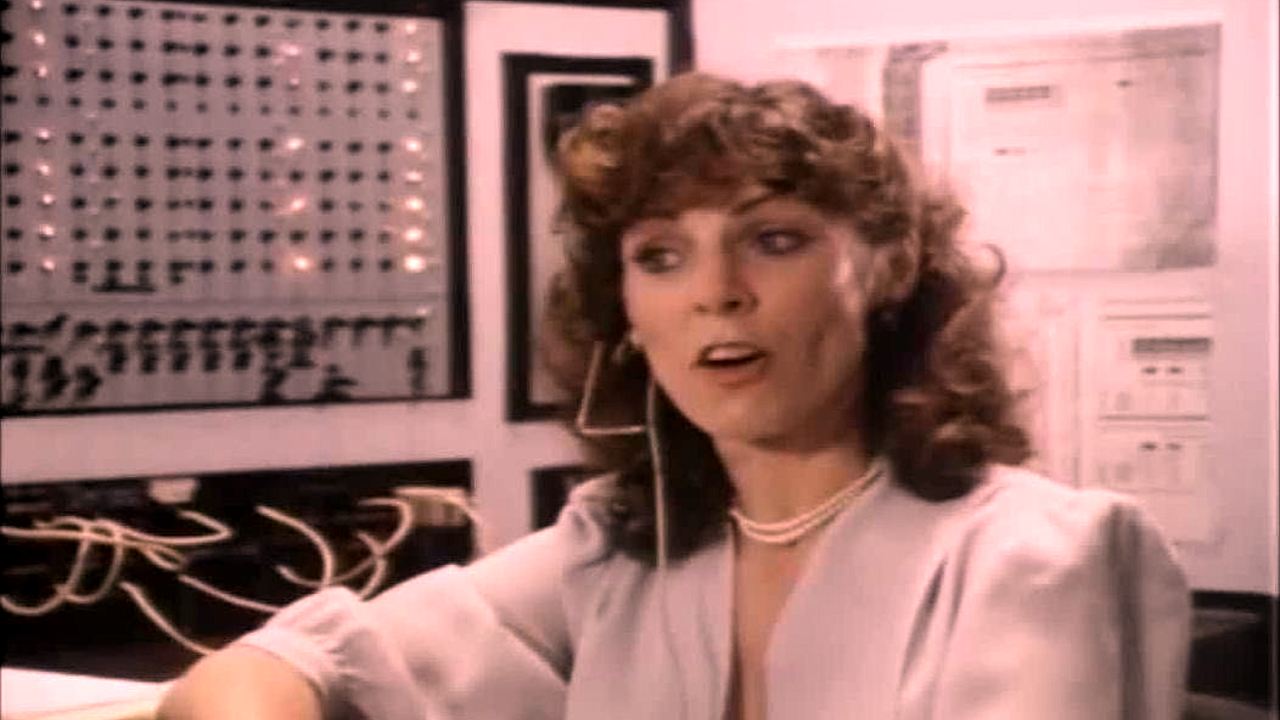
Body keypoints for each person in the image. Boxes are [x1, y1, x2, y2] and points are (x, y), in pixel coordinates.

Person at [159, 73, 1190, 720]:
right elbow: (287, 663)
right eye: (661, 255)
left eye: (773, 239)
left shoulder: (1043, 556)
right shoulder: (623, 544)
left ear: (886, 267)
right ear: (625, 308)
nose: (715, 292)